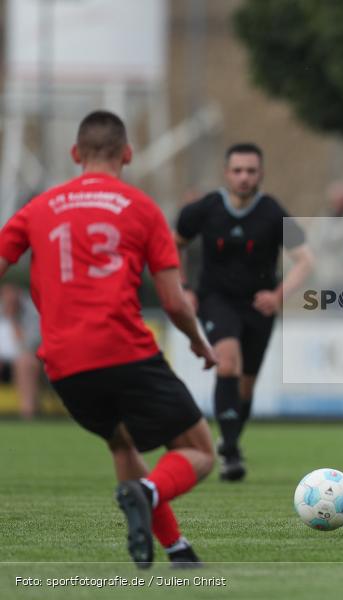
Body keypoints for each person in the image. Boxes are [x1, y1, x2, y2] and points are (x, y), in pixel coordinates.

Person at [0, 110, 218, 567]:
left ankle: (177, 550)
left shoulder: (39, 208)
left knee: (121, 442)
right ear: (128, 154)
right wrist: (198, 341)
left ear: (75, 154)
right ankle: (149, 491)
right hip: (123, 351)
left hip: (63, 364)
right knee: (199, 450)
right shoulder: (142, 208)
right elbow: (174, 302)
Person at [175, 143, 313, 481]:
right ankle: (231, 455)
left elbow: (305, 261)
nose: (244, 177)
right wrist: (184, 287)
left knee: (246, 387)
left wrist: (278, 295)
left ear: (260, 174)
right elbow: (172, 245)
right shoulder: (206, 208)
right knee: (227, 362)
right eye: (237, 171)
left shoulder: (272, 211)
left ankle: (230, 441)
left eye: (250, 171)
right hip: (215, 300)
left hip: (258, 306)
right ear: (226, 173)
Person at [0, 284, 41, 419]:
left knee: (25, 362)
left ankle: (27, 414)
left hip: (22, 359)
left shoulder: (31, 312)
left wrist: (14, 319)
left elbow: (30, 346)